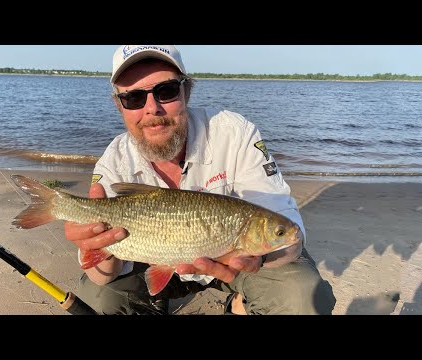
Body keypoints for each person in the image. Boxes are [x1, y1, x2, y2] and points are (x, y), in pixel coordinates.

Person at [64, 45, 336, 315]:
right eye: (134, 98)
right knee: (96, 300)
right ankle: (153, 303)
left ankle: (240, 303)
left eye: (166, 91)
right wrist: (97, 245)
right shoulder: (113, 163)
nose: (152, 108)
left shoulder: (234, 133)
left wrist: (259, 257)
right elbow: (101, 276)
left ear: (187, 91)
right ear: (119, 106)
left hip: (233, 266)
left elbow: (289, 231)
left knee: (303, 297)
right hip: (149, 262)